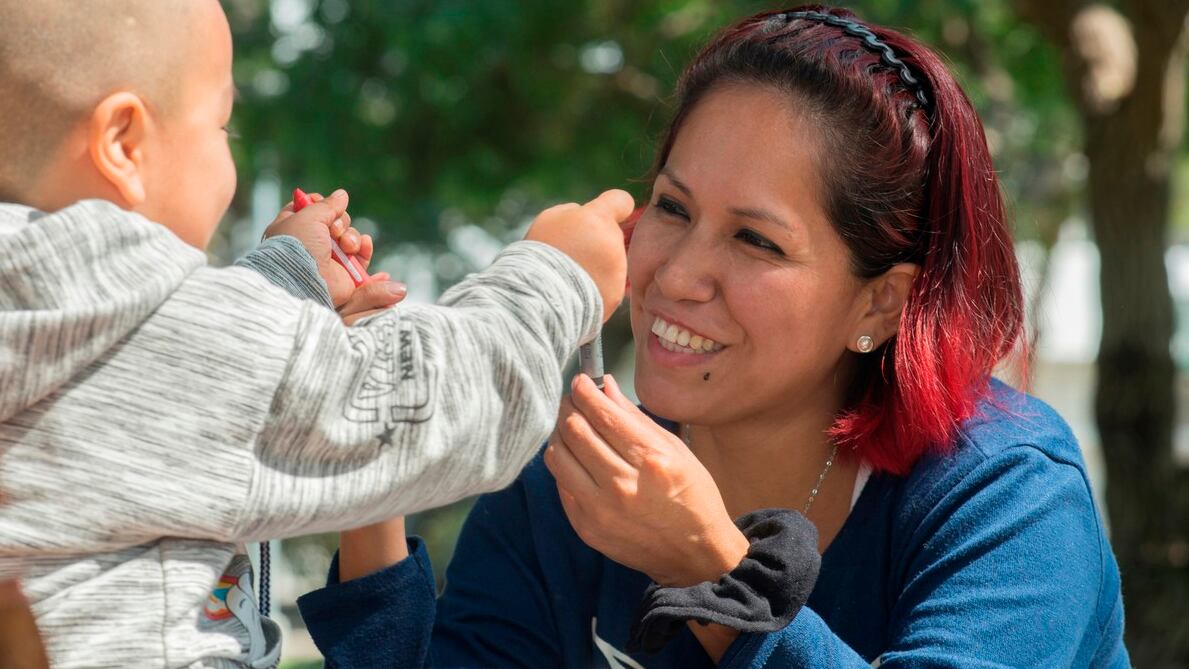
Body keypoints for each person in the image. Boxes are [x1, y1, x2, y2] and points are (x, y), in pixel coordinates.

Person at [298, 6, 1130, 668]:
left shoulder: (1004, 490)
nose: (676, 272)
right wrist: (378, 459)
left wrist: (712, 575)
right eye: (672, 206)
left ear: (879, 305)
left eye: (755, 240)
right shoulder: (572, 480)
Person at [0, 0, 634, 667]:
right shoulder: (160, 344)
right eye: (222, 124)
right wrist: (555, 277)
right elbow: (440, 407)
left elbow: (180, 377)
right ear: (123, 143)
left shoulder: (47, 320)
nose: (230, 154)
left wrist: (290, 272)